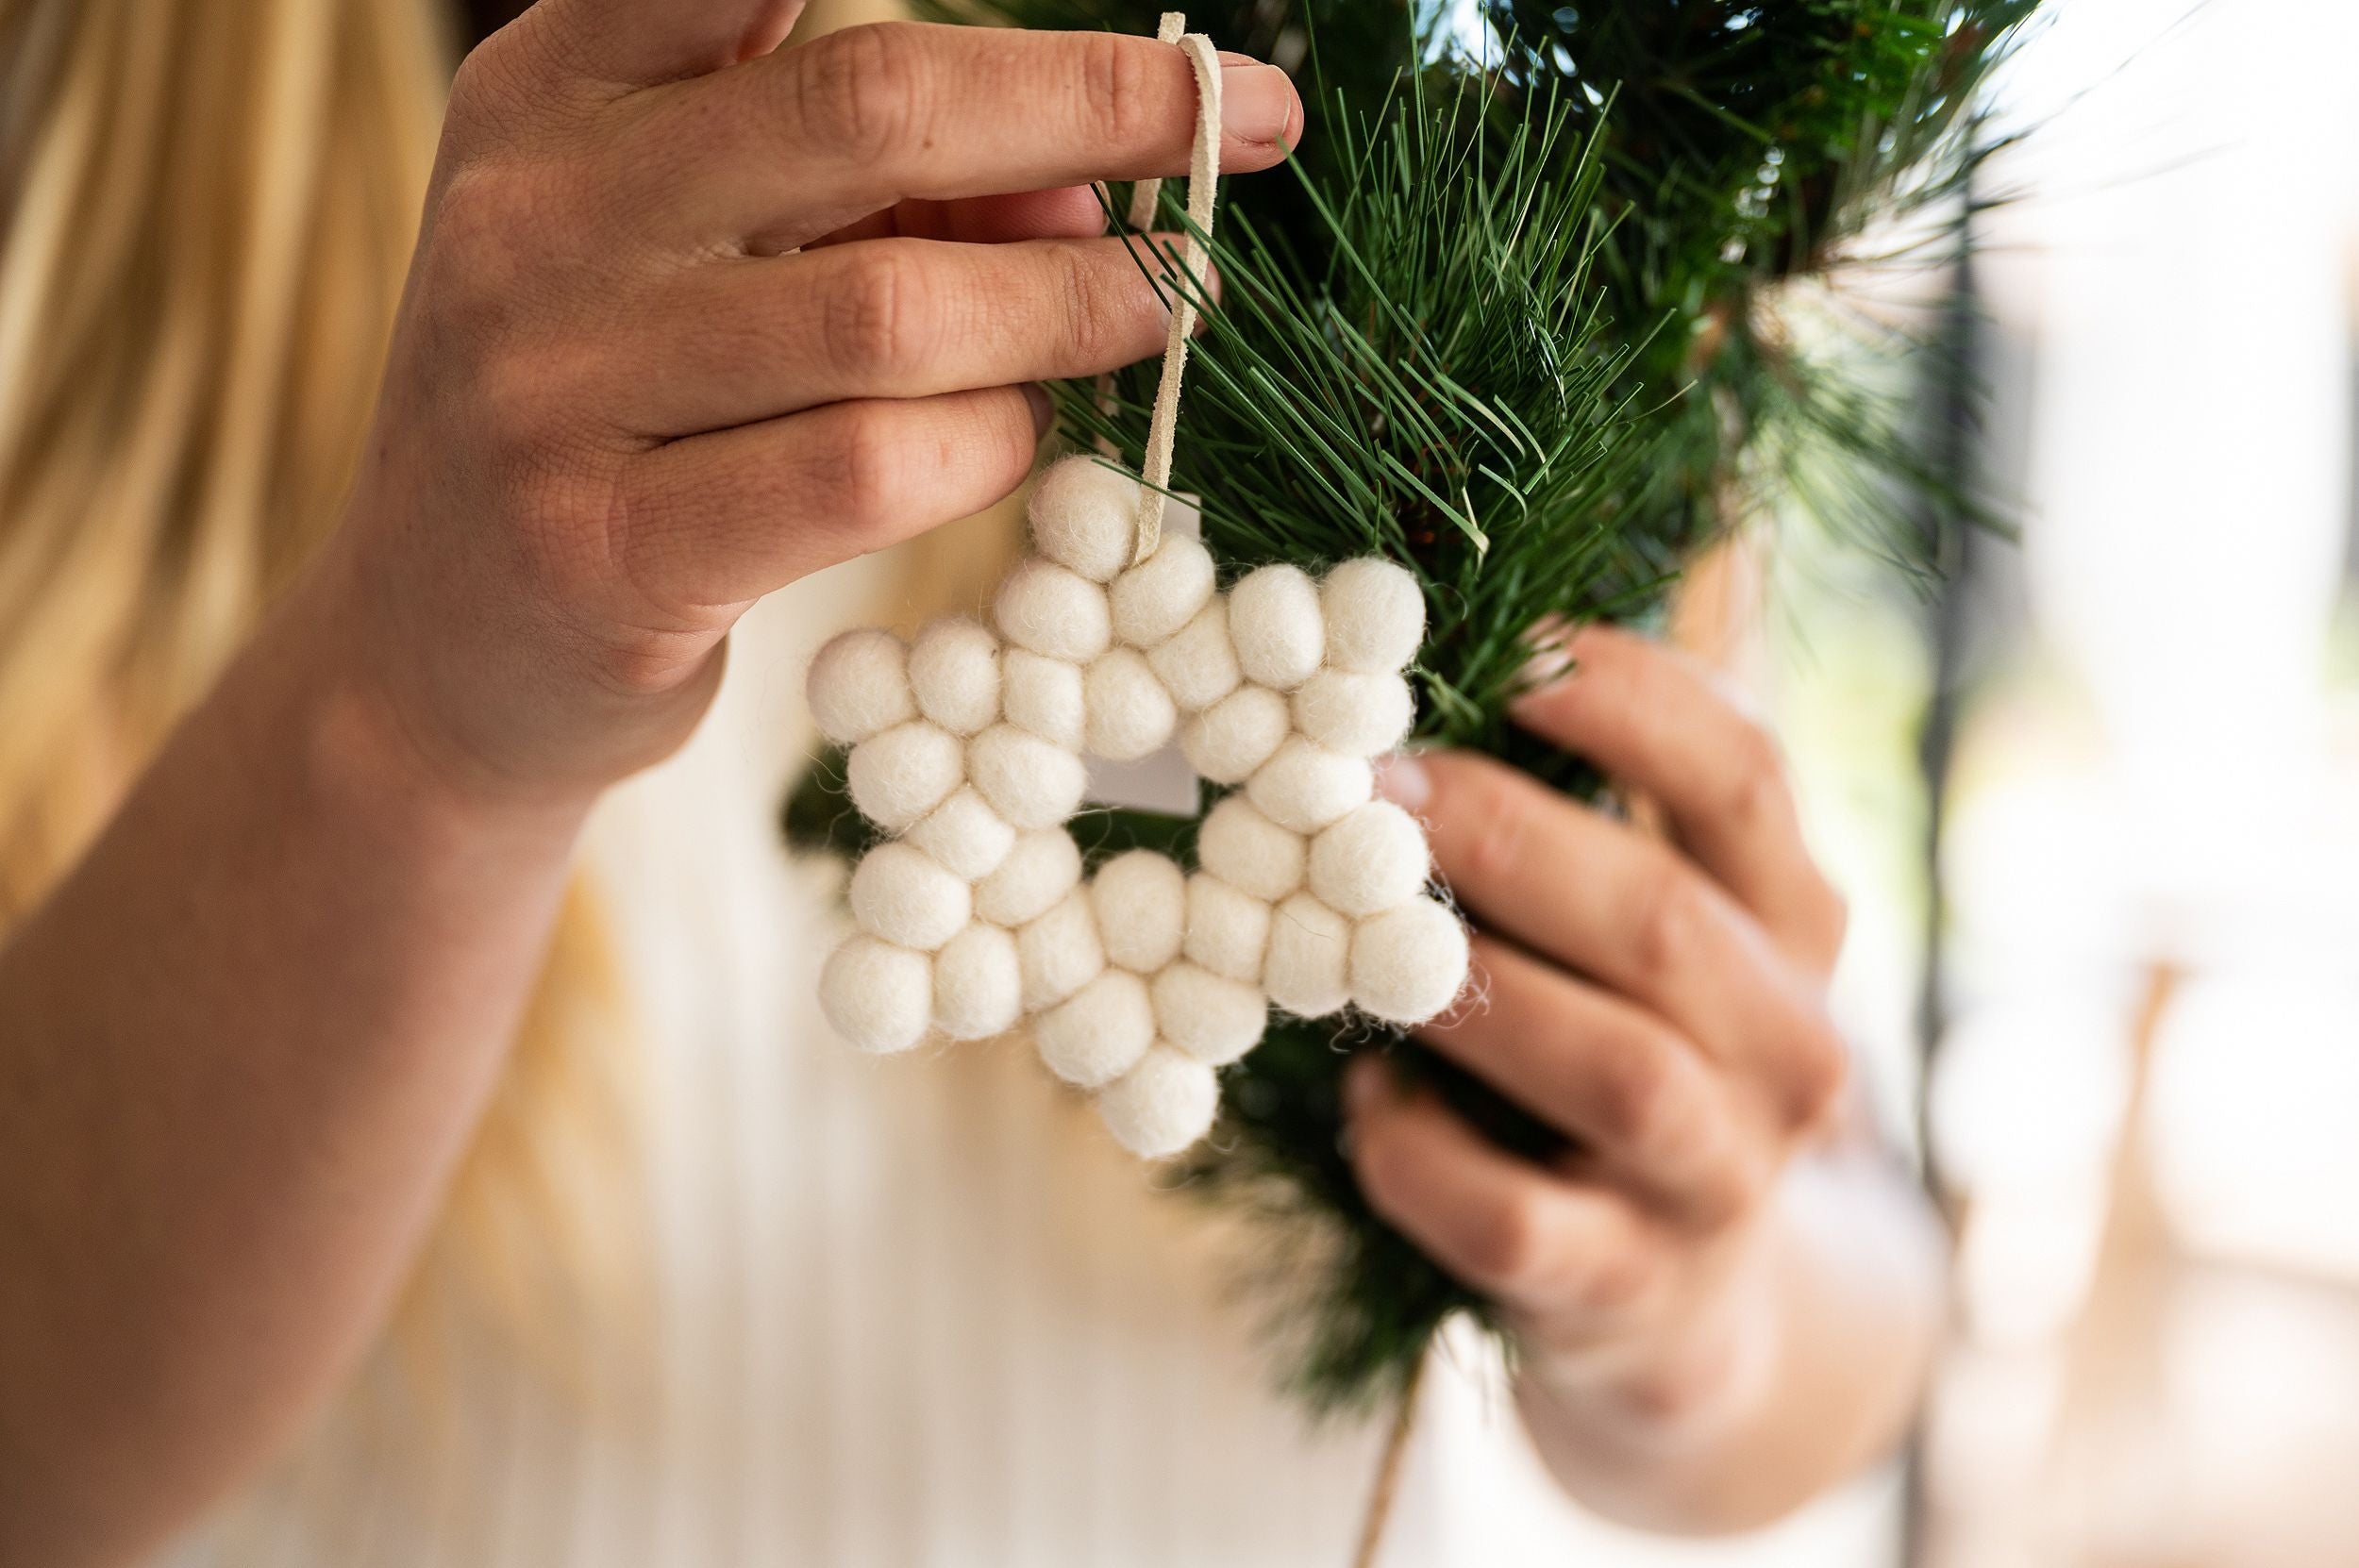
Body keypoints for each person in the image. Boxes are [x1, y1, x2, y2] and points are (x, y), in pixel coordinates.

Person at [0, 1, 1945, 1563]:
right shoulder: (86, 202)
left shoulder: (1436, 169)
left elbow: (1848, 1260)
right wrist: (406, 736)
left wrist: (1700, 1301)